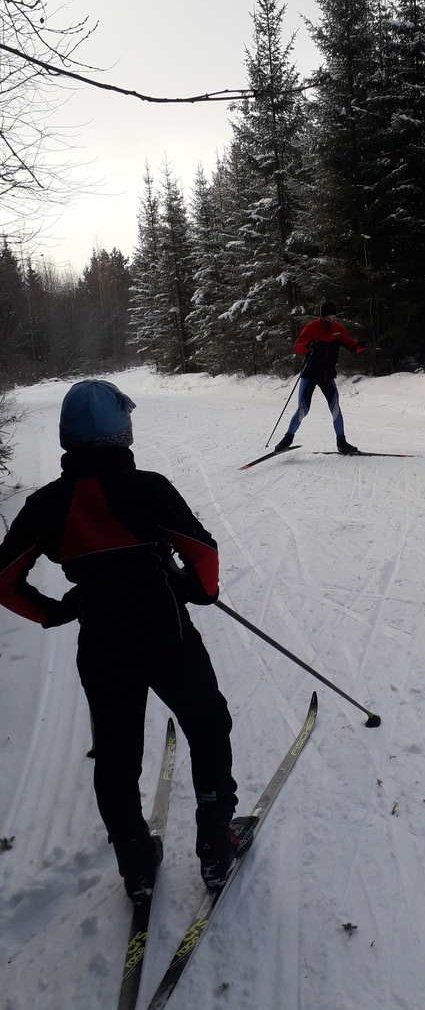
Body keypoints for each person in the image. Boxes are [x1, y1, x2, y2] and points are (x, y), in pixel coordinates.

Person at [0, 379, 243, 905]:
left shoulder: (47, 505)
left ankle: (135, 863)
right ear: (122, 432)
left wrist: (57, 611)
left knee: (115, 753)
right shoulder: (148, 488)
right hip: (165, 631)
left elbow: (3, 581)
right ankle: (214, 842)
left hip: (103, 641)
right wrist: (194, 590)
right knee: (206, 722)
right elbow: (202, 554)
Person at [274, 301, 366, 454]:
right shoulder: (312, 327)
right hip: (310, 374)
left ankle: (341, 442)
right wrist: (309, 346)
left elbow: (352, 346)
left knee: (335, 407)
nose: (331, 321)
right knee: (303, 409)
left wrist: (360, 345)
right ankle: (286, 440)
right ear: (322, 316)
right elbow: (297, 347)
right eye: (328, 318)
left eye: (333, 318)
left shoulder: (338, 329)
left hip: (327, 375)